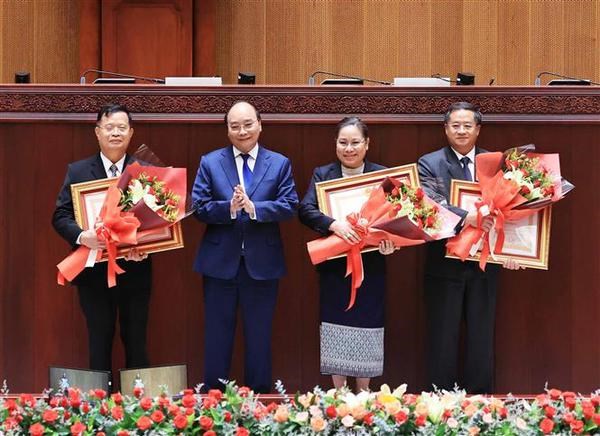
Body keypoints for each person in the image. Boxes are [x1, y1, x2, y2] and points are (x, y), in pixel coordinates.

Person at [192, 100, 298, 393]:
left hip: (262, 265)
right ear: (227, 130)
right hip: (219, 264)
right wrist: (228, 207)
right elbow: (198, 208)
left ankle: (260, 402)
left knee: (260, 337)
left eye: (248, 124)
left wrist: (254, 208)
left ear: (260, 125)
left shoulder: (279, 163)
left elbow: (290, 206)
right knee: (217, 337)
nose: (242, 131)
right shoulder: (210, 162)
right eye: (235, 126)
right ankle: (213, 402)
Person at [417, 101, 523, 394]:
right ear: (446, 129)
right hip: (444, 265)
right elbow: (430, 203)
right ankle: (439, 409)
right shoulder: (430, 162)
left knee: (481, 339)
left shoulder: (496, 163)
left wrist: (515, 251)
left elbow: (514, 209)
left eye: (467, 125)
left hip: (485, 266)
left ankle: (481, 408)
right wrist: (469, 217)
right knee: (442, 340)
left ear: (478, 129)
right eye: (455, 125)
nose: (461, 131)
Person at [298, 117, 395, 392]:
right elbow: (305, 209)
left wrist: (391, 241)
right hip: (334, 266)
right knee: (335, 323)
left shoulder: (382, 176)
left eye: (355, 142)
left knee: (368, 322)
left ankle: (364, 393)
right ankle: (338, 394)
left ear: (367, 145)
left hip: (372, 264)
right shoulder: (323, 174)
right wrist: (334, 224)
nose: (348, 148)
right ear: (335, 144)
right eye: (343, 142)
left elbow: (396, 218)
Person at [52, 103, 151, 372]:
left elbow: (159, 221)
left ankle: (139, 409)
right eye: (109, 128)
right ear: (97, 132)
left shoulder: (144, 172)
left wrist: (146, 246)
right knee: (98, 340)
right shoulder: (78, 171)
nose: (115, 133)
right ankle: (98, 409)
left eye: (121, 128)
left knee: (136, 341)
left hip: (135, 269)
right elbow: (60, 216)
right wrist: (83, 236)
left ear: (131, 133)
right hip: (94, 271)